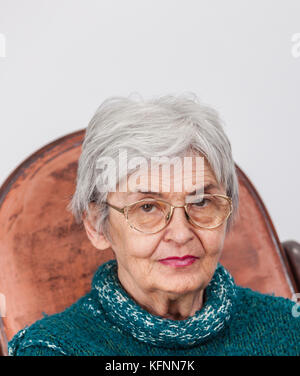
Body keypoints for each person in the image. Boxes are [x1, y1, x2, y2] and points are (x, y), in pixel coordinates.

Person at [8, 94, 300, 356]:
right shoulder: (52, 349)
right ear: (98, 226)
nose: (181, 233)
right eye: (147, 207)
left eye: (200, 202)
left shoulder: (290, 327)